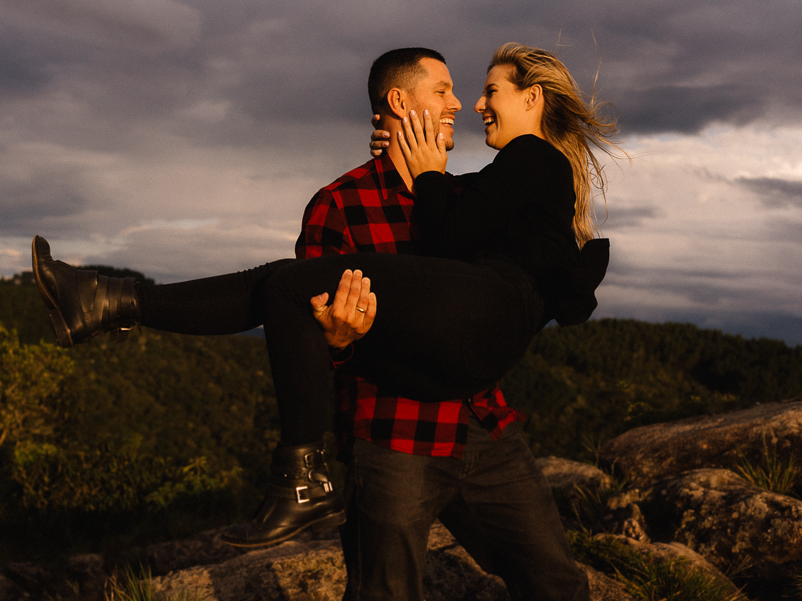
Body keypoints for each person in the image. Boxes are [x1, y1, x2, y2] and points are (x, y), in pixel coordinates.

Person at [32, 44, 618, 600]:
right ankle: (110, 302)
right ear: (399, 102)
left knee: (557, 584)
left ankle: (115, 302)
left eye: (477, 92)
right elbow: (303, 336)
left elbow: (494, 261)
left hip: (480, 420)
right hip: (396, 434)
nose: (462, 104)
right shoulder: (341, 204)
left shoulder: (463, 193)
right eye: (444, 91)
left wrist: (425, 176)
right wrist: (337, 340)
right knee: (385, 593)